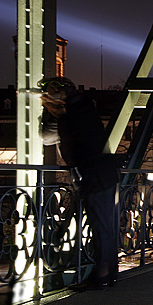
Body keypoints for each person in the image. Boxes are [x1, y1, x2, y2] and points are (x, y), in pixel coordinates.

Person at [39, 77, 119, 290]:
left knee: (100, 227)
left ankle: (101, 277)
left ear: (61, 94)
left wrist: (49, 109)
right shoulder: (83, 107)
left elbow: (47, 136)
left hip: (94, 175)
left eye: (52, 93)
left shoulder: (71, 113)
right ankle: (109, 273)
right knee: (106, 227)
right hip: (103, 173)